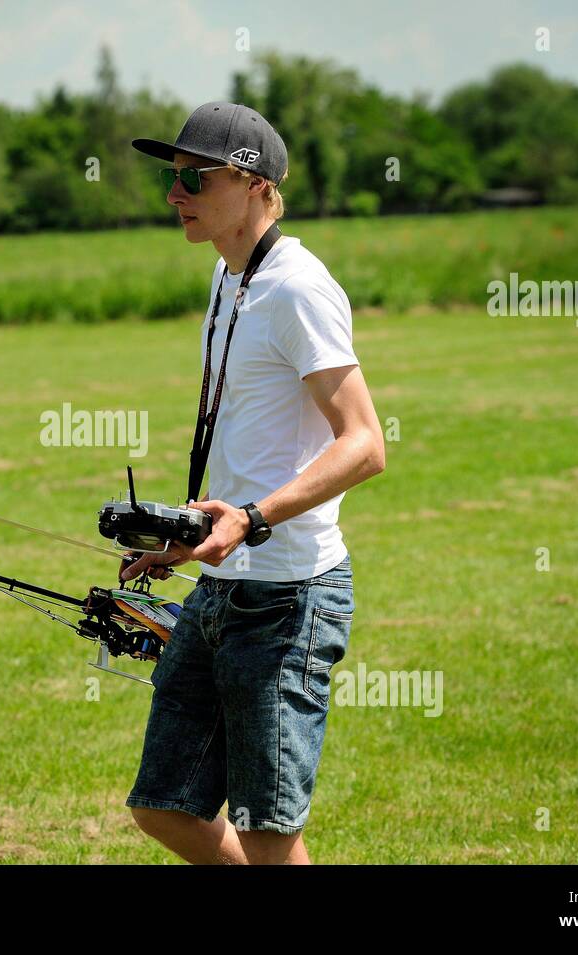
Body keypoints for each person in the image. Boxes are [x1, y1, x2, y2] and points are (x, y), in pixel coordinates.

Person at [121, 102, 387, 864]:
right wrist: (185, 535)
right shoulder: (228, 277)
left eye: (192, 178)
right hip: (221, 584)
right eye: (173, 177)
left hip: (289, 599)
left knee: (271, 833)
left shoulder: (298, 288)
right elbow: (247, 441)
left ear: (254, 184)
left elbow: (365, 445)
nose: (174, 193)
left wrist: (251, 516)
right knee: (164, 806)